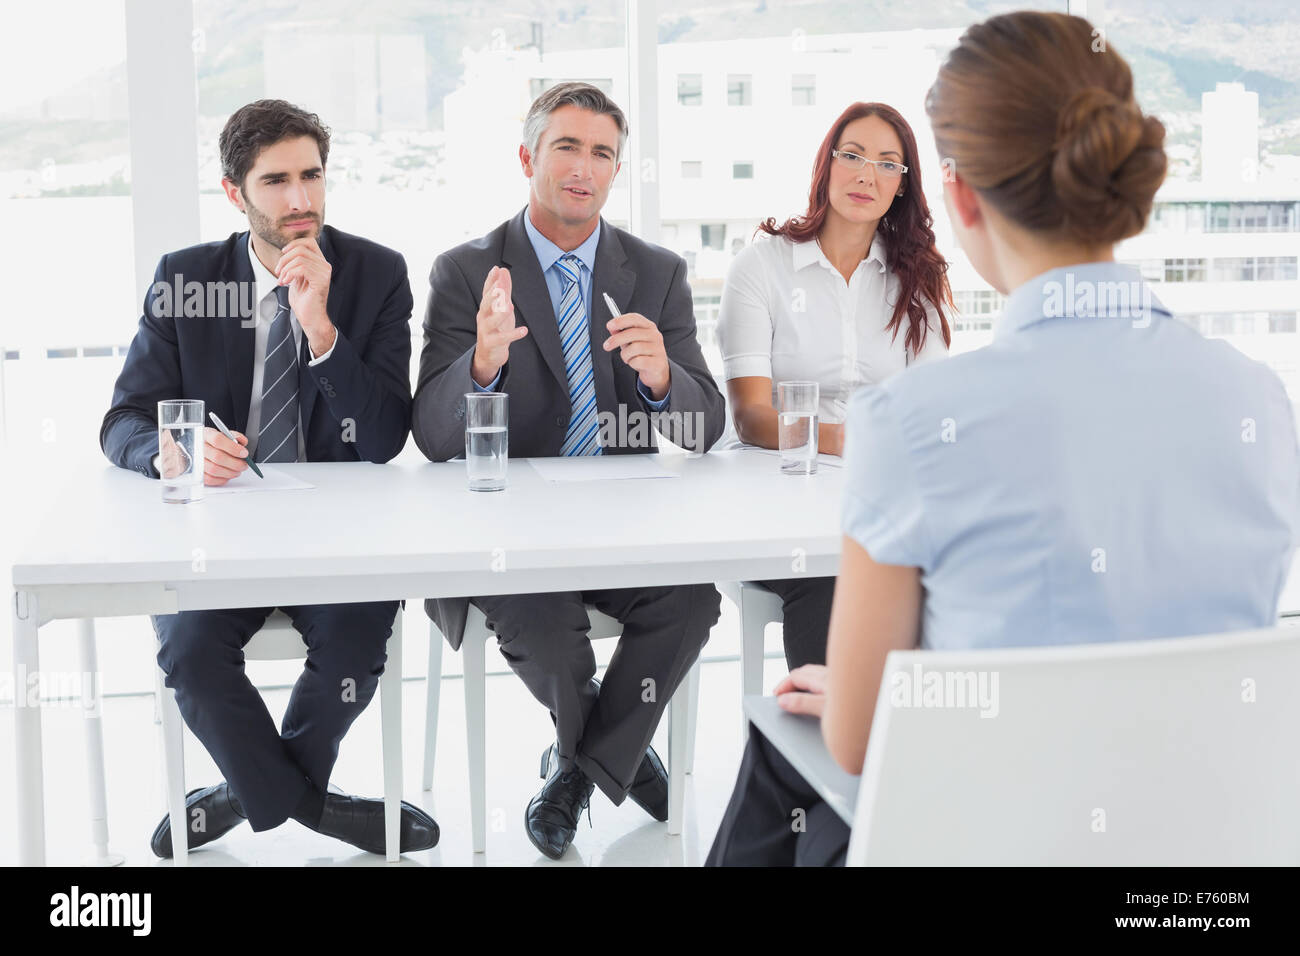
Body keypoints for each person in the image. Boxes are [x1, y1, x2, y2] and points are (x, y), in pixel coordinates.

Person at [707, 9, 1300, 866]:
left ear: (955, 195)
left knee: (786, 728)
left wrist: (869, 700)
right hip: (1198, 875)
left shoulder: (910, 427)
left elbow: (863, 744)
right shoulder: (1260, 403)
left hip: (994, 838)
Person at [101, 99, 437, 858]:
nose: (300, 201)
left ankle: (247, 792)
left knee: (355, 643)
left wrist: (321, 329)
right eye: (277, 180)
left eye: (312, 176)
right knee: (188, 648)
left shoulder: (376, 273)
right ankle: (313, 805)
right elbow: (122, 417)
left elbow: (382, 439)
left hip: (336, 531)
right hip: (219, 534)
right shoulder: (186, 277)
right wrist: (171, 452)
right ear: (234, 192)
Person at [411, 82, 725, 860]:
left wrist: (661, 382)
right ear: (527, 156)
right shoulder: (466, 270)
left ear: (618, 169)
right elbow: (430, 434)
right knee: (548, 633)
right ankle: (615, 760)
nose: (584, 168)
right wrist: (482, 363)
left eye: (603, 153)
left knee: (689, 602)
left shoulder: (656, 271)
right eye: (566, 147)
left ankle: (576, 773)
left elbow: (705, 425)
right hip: (509, 533)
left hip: (623, 525)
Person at [718, 101, 952, 670]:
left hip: (884, 496)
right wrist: (844, 439)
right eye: (852, 155)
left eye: (887, 163)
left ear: (903, 185)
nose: (866, 174)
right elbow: (750, 414)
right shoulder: (762, 266)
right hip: (779, 500)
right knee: (834, 582)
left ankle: (911, 744)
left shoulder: (918, 277)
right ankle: (822, 748)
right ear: (826, 166)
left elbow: (930, 412)